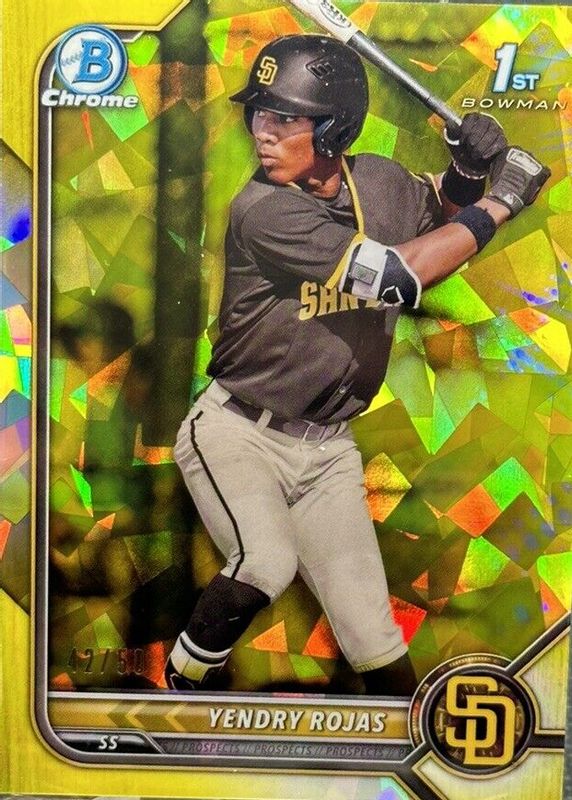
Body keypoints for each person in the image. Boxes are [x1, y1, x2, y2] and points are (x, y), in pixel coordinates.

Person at [165, 35, 550, 694]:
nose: (263, 131)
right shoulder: (264, 210)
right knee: (265, 561)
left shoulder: (377, 180)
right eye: (260, 112)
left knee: (373, 637)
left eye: (285, 117)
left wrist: (465, 172)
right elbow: (399, 277)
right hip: (238, 432)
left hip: (328, 448)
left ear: (335, 127)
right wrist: (503, 200)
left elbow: (440, 220)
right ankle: (186, 676)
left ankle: (407, 739)